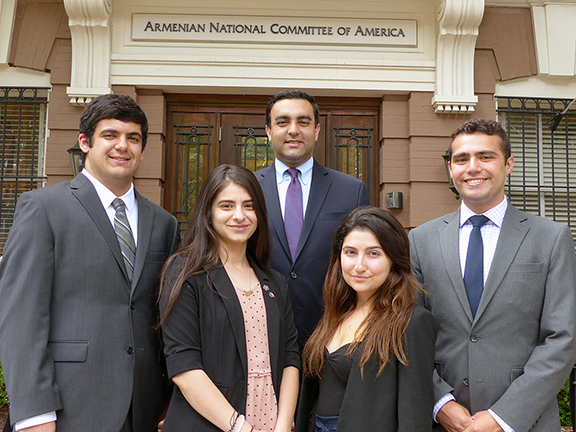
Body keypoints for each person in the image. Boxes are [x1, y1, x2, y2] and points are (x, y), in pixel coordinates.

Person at [0, 94, 180, 432]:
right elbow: (20, 318)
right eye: (110, 135)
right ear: (85, 142)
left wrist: (173, 400)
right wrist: (35, 414)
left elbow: (165, 317)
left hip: (144, 410)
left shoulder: (164, 223)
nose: (122, 146)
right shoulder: (43, 208)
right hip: (67, 408)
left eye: (133, 138)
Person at [409, 118, 576, 432]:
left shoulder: (551, 238)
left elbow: (562, 338)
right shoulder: (420, 240)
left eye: (485, 157)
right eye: (461, 159)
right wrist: (440, 403)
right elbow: (408, 335)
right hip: (445, 423)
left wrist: (504, 416)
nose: (473, 167)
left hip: (527, 422)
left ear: (508, 164)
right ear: (451, 169)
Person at [159, 164, 300, 432]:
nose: (239, 215)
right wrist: (241, 428)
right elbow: (184, 367)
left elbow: (291, 359)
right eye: (226, 206)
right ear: (208, 214)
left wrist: (282, 426)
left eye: (249, 206)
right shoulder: (186, 273)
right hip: (211, 424)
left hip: (270, 421)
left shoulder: (274, 282)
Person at [295, 206, 437, 432]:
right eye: (350, 252)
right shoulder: (336, 313)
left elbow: (415, 419)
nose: (359, 266)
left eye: (373, 253)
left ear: (394, 259)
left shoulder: (410, 322)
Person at [255, 90, 370, 349]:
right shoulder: (248, 190)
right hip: (259, 334)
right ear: (268, 131)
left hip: (334, 335)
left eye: (303, 122)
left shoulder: (351, 190)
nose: (293, 130)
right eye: (283, 122)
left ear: (317, 130)